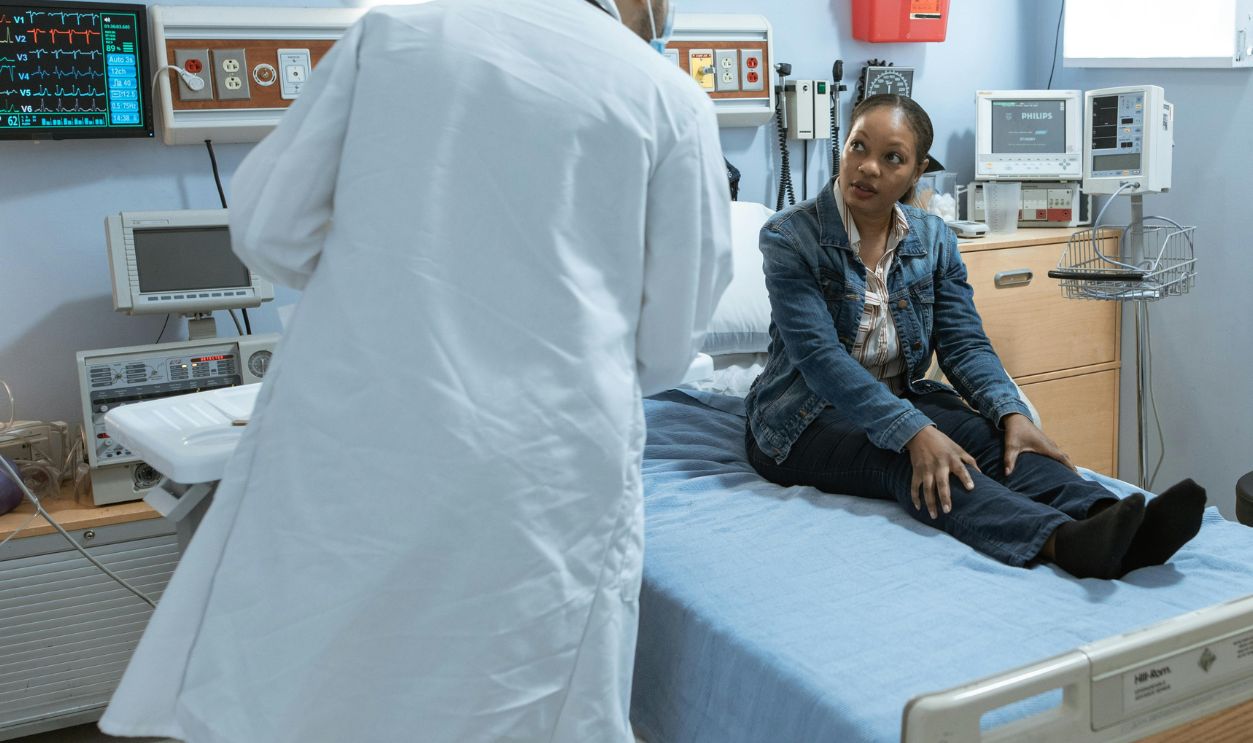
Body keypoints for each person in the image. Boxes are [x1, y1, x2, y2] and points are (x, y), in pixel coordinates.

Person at [100, 1, 731, 741]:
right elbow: (667, 342)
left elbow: (270, 230)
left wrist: (385, 292)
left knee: (310, 683)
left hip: (361, 433)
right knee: (510, 700)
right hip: (542, 473)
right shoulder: (668, 98)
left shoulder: (393, 36)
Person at [743, 94, 1204, 581]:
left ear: (916, 171)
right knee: (915, 460)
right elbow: (820, 359)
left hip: (902, 396)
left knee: (997, 440)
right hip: (801, 421)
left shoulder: (933, 238)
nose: (868, 167)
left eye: (892, 157)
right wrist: (916, 432)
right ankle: (1061, 542)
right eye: (858, 147)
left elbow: (963, 343)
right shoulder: (790, 238)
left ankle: (1113, 519)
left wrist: (1011, 412)